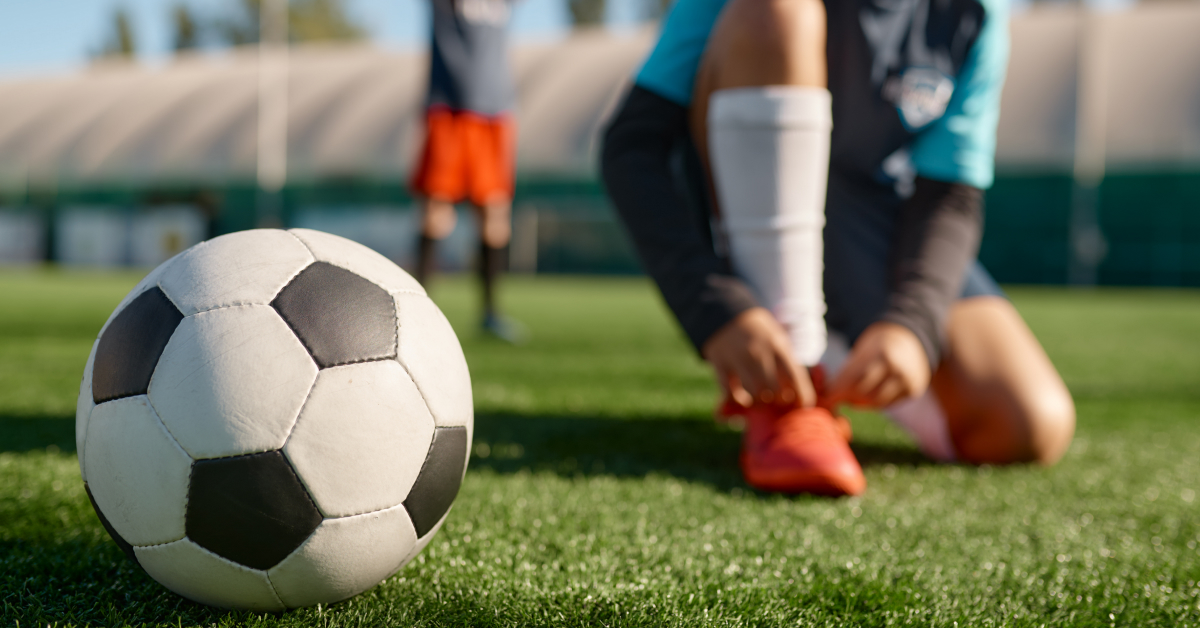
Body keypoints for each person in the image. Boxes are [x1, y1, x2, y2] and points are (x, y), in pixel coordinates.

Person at [601, 0, 1076, 495]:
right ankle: (790, 393)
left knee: (1026, 424)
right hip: (739, 205)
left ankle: (826, 357)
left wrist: (912, 324)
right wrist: (714, 306)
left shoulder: (976, 13)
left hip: (869, 221)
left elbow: (950, 195)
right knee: (775, 11)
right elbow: (632, 146)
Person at [411, 0, 525, 342]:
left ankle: (490, 313)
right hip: (449, 109)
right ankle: (416, 310)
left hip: (495, 111)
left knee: (494, 214)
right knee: (436, 212)